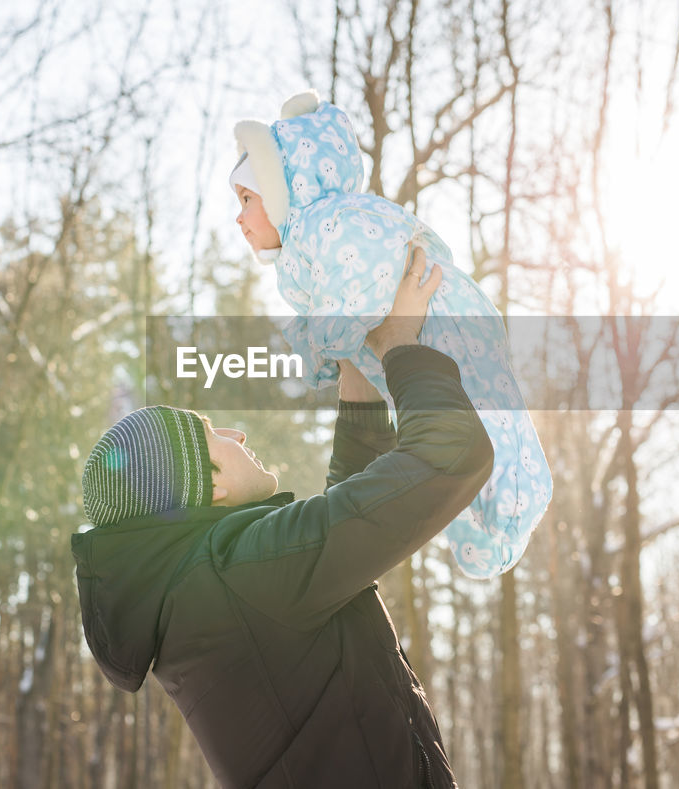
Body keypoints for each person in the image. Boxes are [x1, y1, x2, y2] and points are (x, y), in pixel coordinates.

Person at [71, 249, 488, 788]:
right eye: (213, 435)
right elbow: (452, 453)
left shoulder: (207, 593)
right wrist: (398, 345)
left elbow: (336, 540)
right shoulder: (238, 575)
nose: (237, 435)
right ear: (210, 485)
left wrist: (356, 375)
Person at [228, 89, 552, 578]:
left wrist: (320, 347)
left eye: (247, 198)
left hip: (446, 325)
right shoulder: (307, 242)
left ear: (282, 190)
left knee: (485, 417)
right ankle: (488, 530)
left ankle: (512, 506)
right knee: (456, 428)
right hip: (420, 345)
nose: (239, 217)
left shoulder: (332, 221)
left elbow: (352, 293)